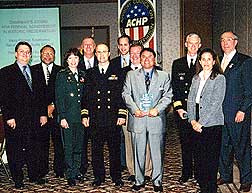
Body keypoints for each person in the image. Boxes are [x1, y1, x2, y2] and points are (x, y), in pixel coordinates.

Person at [122, 48, 173, 192]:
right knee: (138, 152)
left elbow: (168, 96)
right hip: (137, 119)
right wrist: (134, 109)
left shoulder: (164, 76)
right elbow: (126, 94)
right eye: (143, 57)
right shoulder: (131, 75)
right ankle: (139, 180)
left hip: (156, 119)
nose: (146, 59)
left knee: (157, 153)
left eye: (149, 57)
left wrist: (157, 109)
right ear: (140, 59)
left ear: (154, 59)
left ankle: (157, 181)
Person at [0, 41, 47, 189]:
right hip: (15, 119)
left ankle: (34, 175)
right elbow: (4, 97)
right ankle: (18, 178)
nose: (25, 54)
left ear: (31, 55)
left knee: (34, 148)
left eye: (28, 52)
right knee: (15, 150)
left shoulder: (36, 72)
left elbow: (41, 97)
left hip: (34, 119)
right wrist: (8, 117)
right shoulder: (6, 72)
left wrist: (43, 114)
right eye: (22, 51)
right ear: (16, 54)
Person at [81, 43, 127, 187]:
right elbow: (86, 96)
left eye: (104, 52)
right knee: (96, 150)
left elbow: (122, 95)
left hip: (113, 117)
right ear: (95, 54)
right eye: (98, 52)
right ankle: (99, 177)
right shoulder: (90, 73)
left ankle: (116, 176)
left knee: (114, 149)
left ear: (109, 54)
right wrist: (84, 115)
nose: (101, 55)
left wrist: (122, 114)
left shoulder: (118, 71)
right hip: (96, 118)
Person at [187, 48, 226, 193]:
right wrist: (192, 120)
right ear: (199, 61)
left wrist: (201, 122)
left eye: (209, 59)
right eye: (203, 59)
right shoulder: (196, 77)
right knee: (199, 157)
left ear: (214, 61)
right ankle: (203, 186)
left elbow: (216, 103)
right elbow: (191, 100)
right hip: (196, 120)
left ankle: (210, 189)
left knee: (211, 159)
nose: (206, 62)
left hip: (212, 123)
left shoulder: (219, 78)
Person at [217, 31, 252, 192]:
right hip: (220, 114)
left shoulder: (245, 61)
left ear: (235, 42)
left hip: (237, 113)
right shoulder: (217, 60)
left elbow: (249, 90)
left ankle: (246, 179)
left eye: (229, 40)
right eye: (223, 40)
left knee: (241, 147)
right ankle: (225, 174)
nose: (225, 43)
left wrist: (243, 110)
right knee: (223, 146)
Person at [171, 33, 201, 183]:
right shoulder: (178, 64)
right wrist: (178, 108)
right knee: (185, 143)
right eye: (190, 43)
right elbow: (175, 89)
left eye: (196, 43)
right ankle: (186, 172)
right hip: (183, 111)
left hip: (200, 111)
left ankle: (199, 174)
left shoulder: (205, 62)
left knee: (199, 144)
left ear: (200, 45)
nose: (193, 46)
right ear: (185, 44)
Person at [31, 45, 65, 179]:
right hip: (39, 115)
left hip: (57, 113)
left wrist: (53, 105)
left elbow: (64, 92)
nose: (48, 56)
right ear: (40, 55)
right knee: (41, 143)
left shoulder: (61, 71)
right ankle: (42, 169)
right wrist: (43, 110)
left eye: (51, 53)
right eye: (45, 53)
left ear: (54, 56)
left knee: (59, 143)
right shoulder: (32, 70)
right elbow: (31, 94)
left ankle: (59, 169)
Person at [55, 48, 86, 186]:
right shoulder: (62, 75)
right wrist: (62, 117)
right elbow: (59, 97)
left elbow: (85, 98)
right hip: (67, 117)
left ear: (79, 60)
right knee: (68, 146)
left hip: (80, 117)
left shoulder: (83, 74)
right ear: (66, 60)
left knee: (79, 145)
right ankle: (70, 173)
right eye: (70, 58)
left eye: (76, 58)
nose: (73, 61)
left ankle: (77, 169)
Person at [122, 43, 153, 182]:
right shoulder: (123, 72)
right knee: (130, 143)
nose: (134, 56)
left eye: (137, 53)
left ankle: (147, 171)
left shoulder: (152, 71)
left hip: (148, 114)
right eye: (131, 53)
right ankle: (133, 171)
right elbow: (122, 94)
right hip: (129, 113)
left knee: (147, 143)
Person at [78, 36, 98, 176]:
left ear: (95, 47)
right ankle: (83, 165)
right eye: (85, 45)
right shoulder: (75, 62)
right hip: (81, 107)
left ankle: (98, 168)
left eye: (91, 44)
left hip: (98, 108)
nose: (88, 47)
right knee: (82, 140)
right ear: (81, 47)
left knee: (97, 140)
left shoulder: (103, 61)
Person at [111, 34, 131, 170]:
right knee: (117, 136)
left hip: (132, 105)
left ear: (129, 45)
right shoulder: (112, 63)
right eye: (121, 45)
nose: (123, 47)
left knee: (130, 136)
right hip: (116, 104)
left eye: (126, 44)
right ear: (118, 47)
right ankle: (121, 163)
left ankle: (131, 162)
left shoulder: (136, 60)